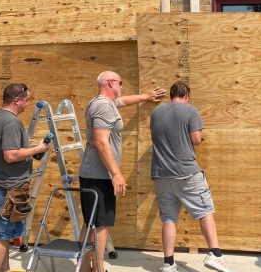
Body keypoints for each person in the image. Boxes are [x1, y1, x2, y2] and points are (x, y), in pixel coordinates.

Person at [78, 71, 166, 272]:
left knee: (91, 222)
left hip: (92, 173)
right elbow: (101, 141)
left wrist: (145, 96)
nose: (122, 86)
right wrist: (116, 173)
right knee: (101, 225)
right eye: (119, 82)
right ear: (110, 83)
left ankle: (85, 268)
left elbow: (123, 101)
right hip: (100, 175)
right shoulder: (103, 106)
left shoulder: (103, 103)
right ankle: (98, 269)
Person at [149, 81, 232, 272]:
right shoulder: (190, 110)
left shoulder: (156, 113)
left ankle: (168, 263)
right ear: (186, 96)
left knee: (168, 219)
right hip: (186, 173)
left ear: (172, 95)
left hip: (161, 174)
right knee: (204, 210)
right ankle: (215, 254)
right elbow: (196, 139)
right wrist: (200, 137)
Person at [0, 83, 52, 272]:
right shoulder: (11, 122)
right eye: (27, 100)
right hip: (4, 188)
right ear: (16, 100)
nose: (28, 104)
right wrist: (39, 149)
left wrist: (26, 147)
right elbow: (10, 155)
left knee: (3, 235)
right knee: (2, 236)